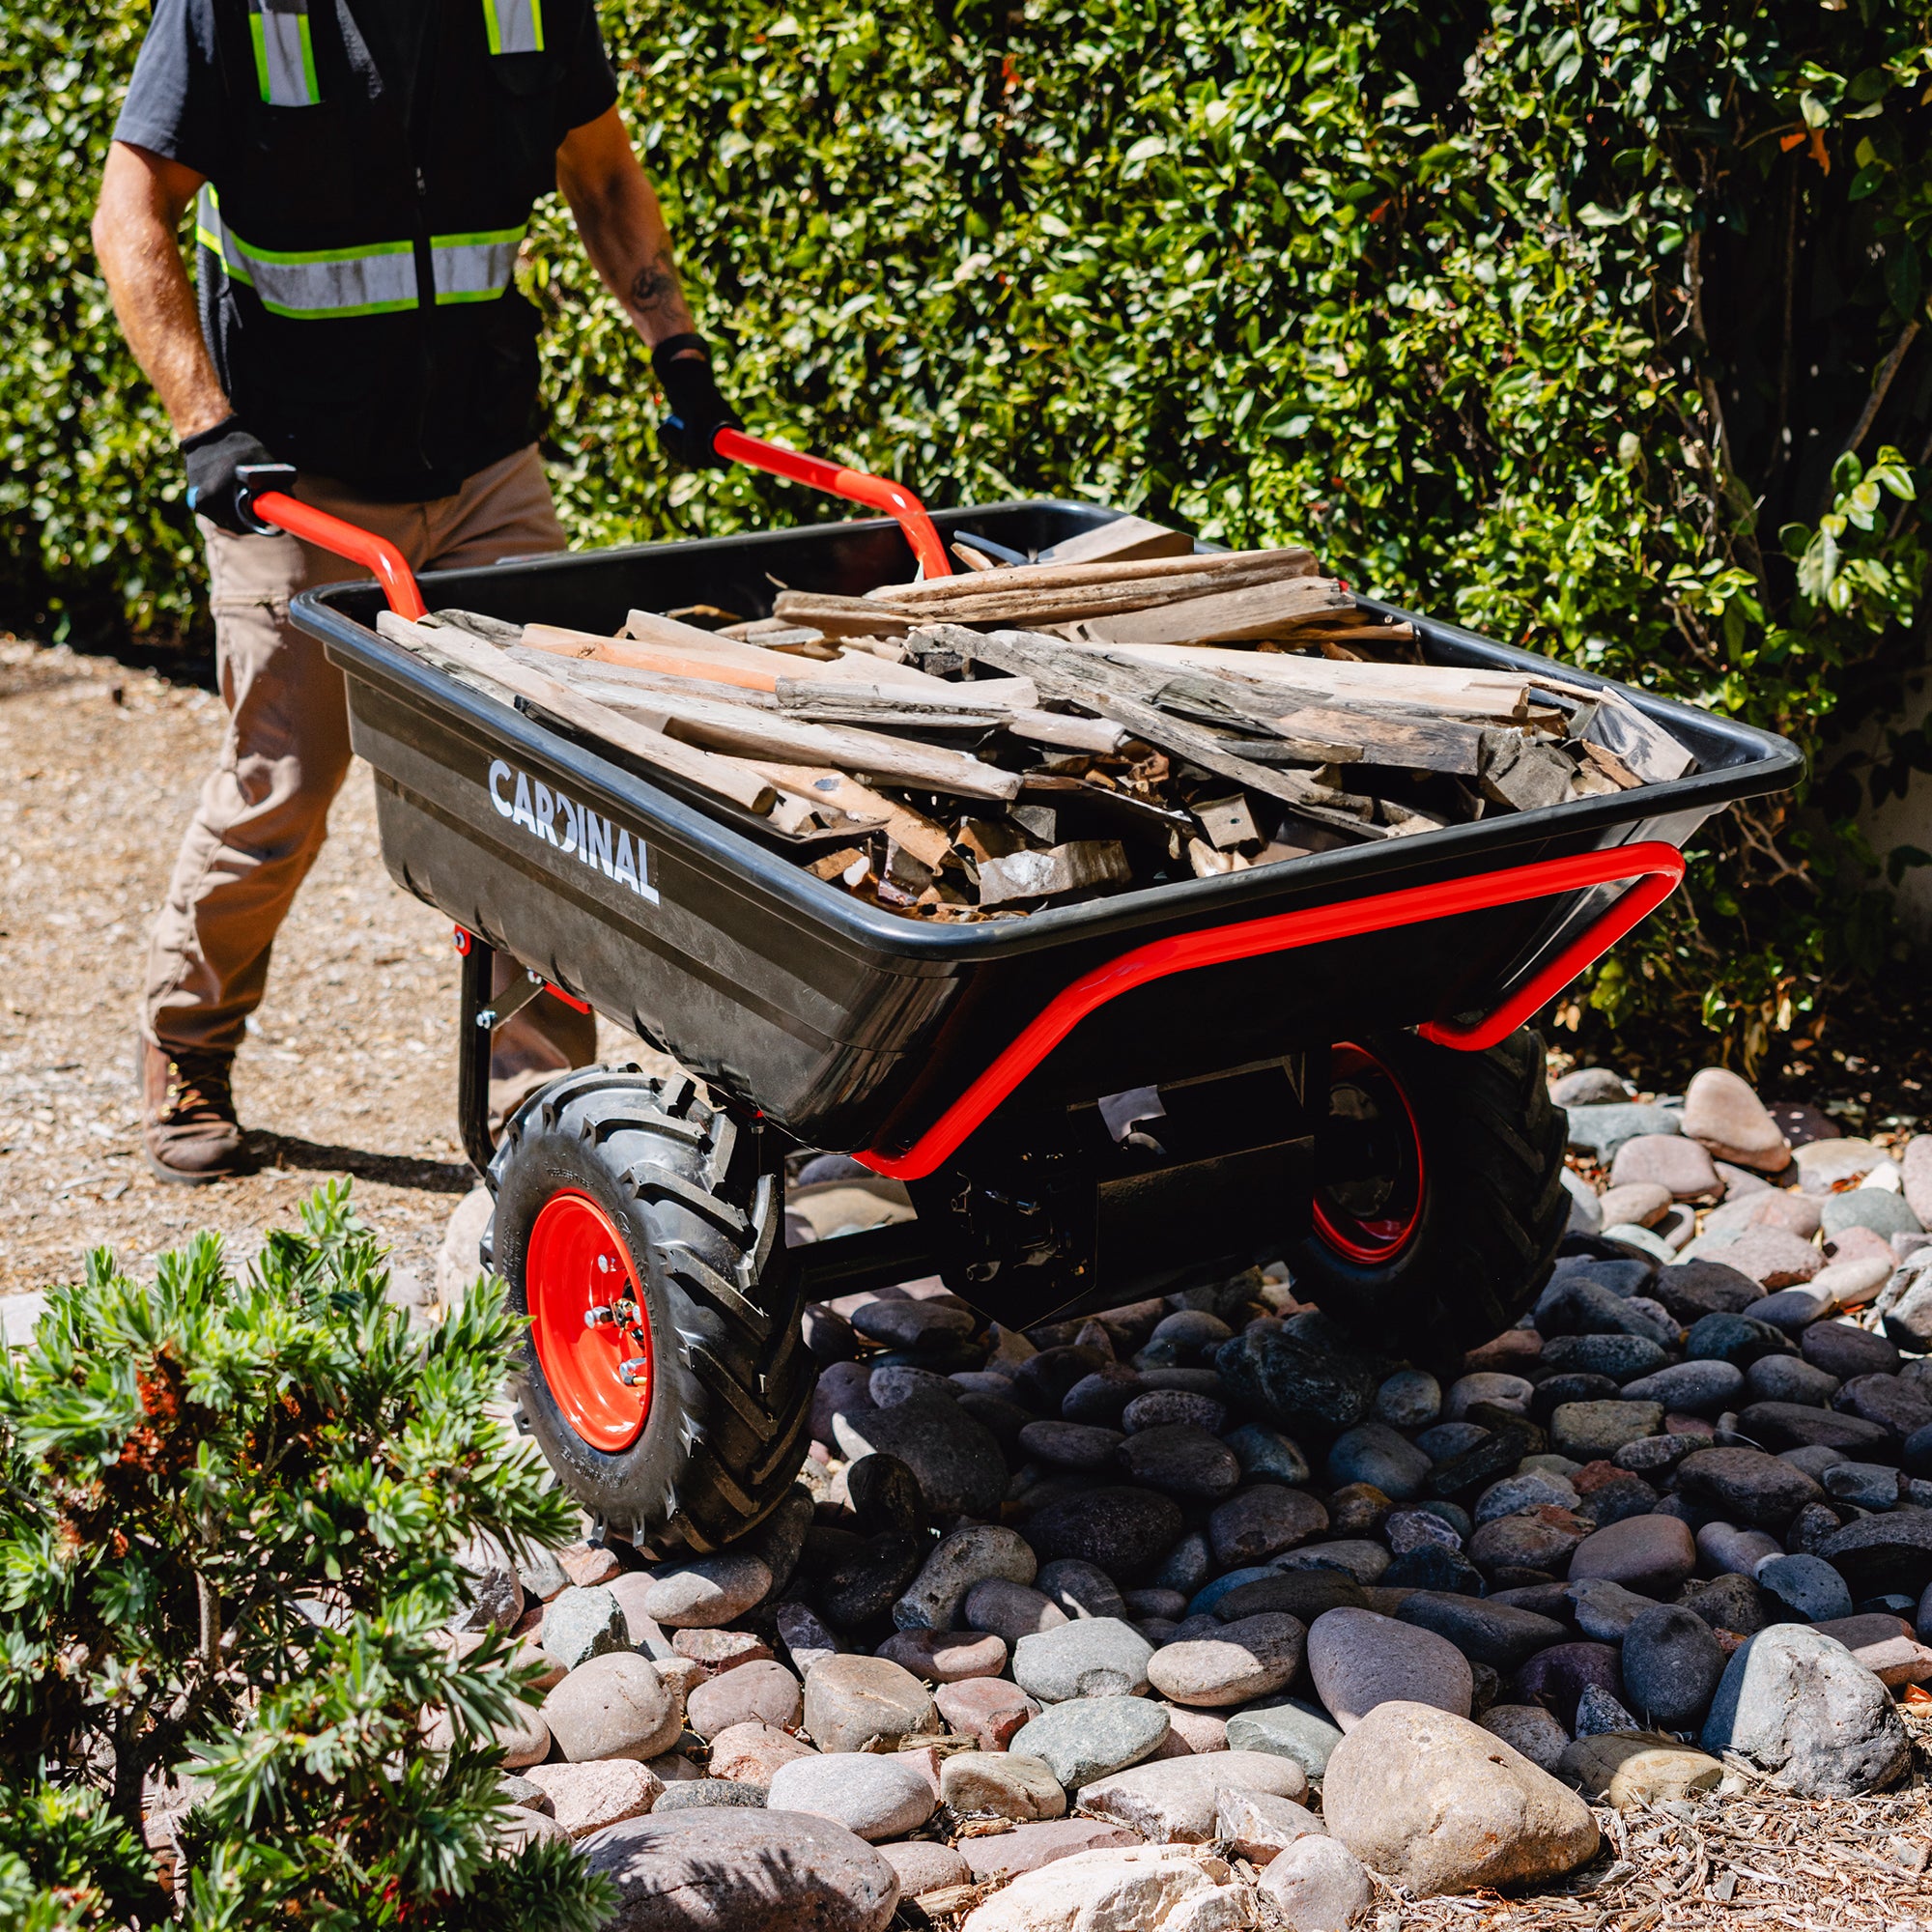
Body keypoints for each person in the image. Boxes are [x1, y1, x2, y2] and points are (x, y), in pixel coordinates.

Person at [93, 0, 737, 1182]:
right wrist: (206, 426)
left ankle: (542, 1092)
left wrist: (674, 344)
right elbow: (132, 207)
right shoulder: (237, 13)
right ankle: (183, 1041)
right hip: (295, 473)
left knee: (542, 773)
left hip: (483, 458)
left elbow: (600, 174)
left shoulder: (527, 6)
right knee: (281, 780)